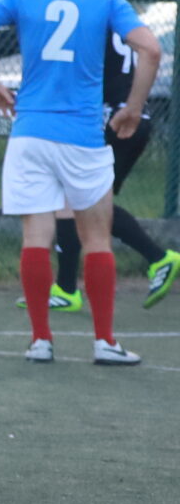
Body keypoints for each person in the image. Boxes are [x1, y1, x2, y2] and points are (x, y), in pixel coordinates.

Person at [0, 0, 160, 366]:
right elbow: (151, 50)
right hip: (82, 136)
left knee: (36, 235)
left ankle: (40, 341)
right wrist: (132, 107)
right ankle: (104, 342)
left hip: (30, 133)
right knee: (96, 237)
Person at [44, 16, 180, 310]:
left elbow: (77, 75)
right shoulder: (120, 20)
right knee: (80, 200)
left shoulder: (88, 21)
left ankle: (158, 258)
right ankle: (66, 288)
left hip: (115, 123)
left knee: (83, 201)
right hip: (134, 121)